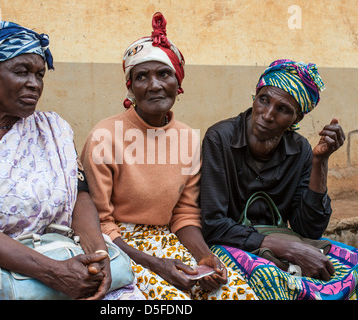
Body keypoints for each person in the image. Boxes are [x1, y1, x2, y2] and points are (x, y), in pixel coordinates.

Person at [0, 20, 138, 300]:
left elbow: (79, 197)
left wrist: (96, 253)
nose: (34, 83)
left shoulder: (52, 129)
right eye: (22, 72)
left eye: (39, 74)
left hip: (60, 250)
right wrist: (54, 274)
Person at [81, 12, 256, 300]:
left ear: (178, 82)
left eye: (164, 74)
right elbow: (99, 222)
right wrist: (156, 265)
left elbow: (184, 213)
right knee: (173, 300)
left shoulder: (187, 138)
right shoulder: (105, 136)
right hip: (116, 245)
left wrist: (204, 258)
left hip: (166, 240)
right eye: (142, 77)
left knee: (235, 293)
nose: (154, 85)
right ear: (131, 88)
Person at [201, 59, 358, 300]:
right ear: (255, 97)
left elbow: (309, 229)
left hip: (285, 241)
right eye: (263, 100)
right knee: (271, 279)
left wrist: (320, 162)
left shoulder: (300, 150)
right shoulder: (220, 138)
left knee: (353, 262)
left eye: (283, 109)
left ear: (297, 119)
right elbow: (213, 223)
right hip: (230, 243)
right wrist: (283, 247)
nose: (267, 114)